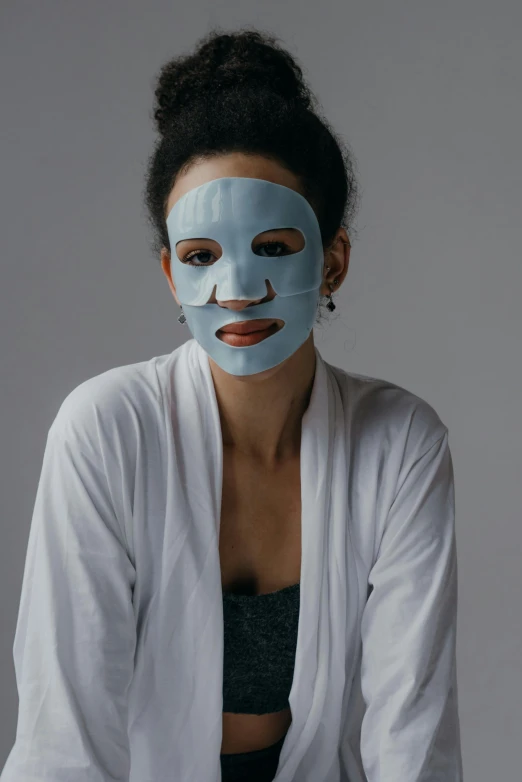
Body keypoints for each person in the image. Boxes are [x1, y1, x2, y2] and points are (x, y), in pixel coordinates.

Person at [1, 27, 463, 782]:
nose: (237, 288)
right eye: (200, 257)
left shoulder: (400, 443)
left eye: (275, 247)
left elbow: (412, 738)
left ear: (334, 258)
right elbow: (64, 736)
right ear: (169, 271)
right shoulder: (107, 430)